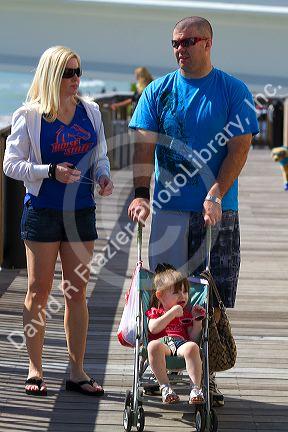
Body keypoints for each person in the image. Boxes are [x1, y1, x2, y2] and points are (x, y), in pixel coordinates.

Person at [128, 16, 259, 406]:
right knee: (162, 295)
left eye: (188, 42)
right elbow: (143, 148)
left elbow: (240, 147)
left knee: (210, 298)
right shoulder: (158, 91)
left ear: (208, 44)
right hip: (169, 212)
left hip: (217, 212)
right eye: (175, 44)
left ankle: (207, 375)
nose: (180, 50)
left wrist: (216, 192)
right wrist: (140, 194)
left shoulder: (232, 91)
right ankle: (157, 370)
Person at [3, 45, 113, 396]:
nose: (76, 79)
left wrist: (104, 176)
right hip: (43, 212)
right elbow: (11, 164)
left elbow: (101, 155)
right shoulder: (30, 115)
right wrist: (49, 171)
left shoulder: (91, 111)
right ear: (51, 75)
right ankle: (35, 369)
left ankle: (77, 371)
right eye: (68, 73)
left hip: (81, 212)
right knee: (38, 290)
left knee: (77, 291)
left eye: (78, 72)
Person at [146, 264, 205, 404]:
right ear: (160, 295)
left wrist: (197, 322)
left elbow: (193, 338)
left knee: (193, 347)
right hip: (162, 344)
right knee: (153, 346)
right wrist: (171, 314)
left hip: (181, 344)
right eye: (176, 292)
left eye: (185, 292)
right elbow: (153, 329)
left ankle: (196, 389)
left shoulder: (186, 313)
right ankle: (165, 387)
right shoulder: (157, 312)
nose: (182, 296)